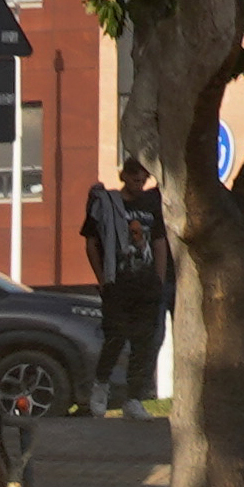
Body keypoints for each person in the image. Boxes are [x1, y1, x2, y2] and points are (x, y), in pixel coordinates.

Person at [82, 157, 173, 413]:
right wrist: (102, 278)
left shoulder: (150, 205)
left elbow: (158, 241)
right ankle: (101, 387)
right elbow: (91, 241)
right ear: (124, 176)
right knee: (116, 337)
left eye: (144, 177)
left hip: (145, 284)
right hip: (117, 282)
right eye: (135, 176)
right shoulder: (107, 203)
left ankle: (133, 398)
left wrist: (159, 279)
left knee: (144, 341)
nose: (140, 181)